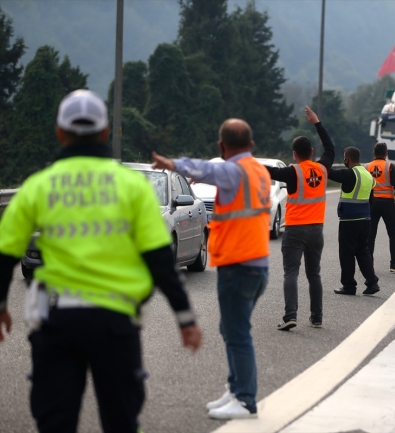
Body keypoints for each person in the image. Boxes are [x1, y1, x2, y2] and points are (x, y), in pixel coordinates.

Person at [0, 90, 202, 433]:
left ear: (59, 132)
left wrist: (2, 304)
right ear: (106, 133)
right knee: (121, 421)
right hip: (115, 325)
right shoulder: (132, 187)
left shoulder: (38, 186)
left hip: (58, 323)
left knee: (54, 422)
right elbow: (159, 261)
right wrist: (185, 318)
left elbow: (5, 255)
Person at [151, 118, 270, 420]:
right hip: (257, 264)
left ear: (222, 146)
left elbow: (207, 169)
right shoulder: (259, 171)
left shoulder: (235, 170)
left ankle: (244, 400)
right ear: (252, 145)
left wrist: (173, 163)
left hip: (238, 265)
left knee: (237, 332)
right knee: (231, 329)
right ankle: (235, 389)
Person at [264, 106, 334, 331]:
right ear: (312, 151)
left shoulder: (292, 172)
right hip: (316, 230)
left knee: (291, 273)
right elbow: (331, 148)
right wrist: (317, 122)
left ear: (294, 154)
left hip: (294, 230)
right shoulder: (323, 169)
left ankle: (290, 315)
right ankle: (317, 317)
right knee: (314, 274)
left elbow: (267, 172)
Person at [329, 147, 380, 296]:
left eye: (345, 158)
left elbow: (329, 172)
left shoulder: (349, 173)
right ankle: (372, 283)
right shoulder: (368, 175)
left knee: (347, 253)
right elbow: (371, 199)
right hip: (365, 220)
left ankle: (349, 286)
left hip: (349, 220)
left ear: (347, 159)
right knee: (363, 251)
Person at [365, 142, 395, 274]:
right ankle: (394, 264)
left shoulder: (366, 167)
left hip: (372, 203)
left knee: (370, 234)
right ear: (386, 154)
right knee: (393, 234)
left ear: (373, 153)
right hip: (388, 203)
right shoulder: (389, 166)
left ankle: (369, 264)